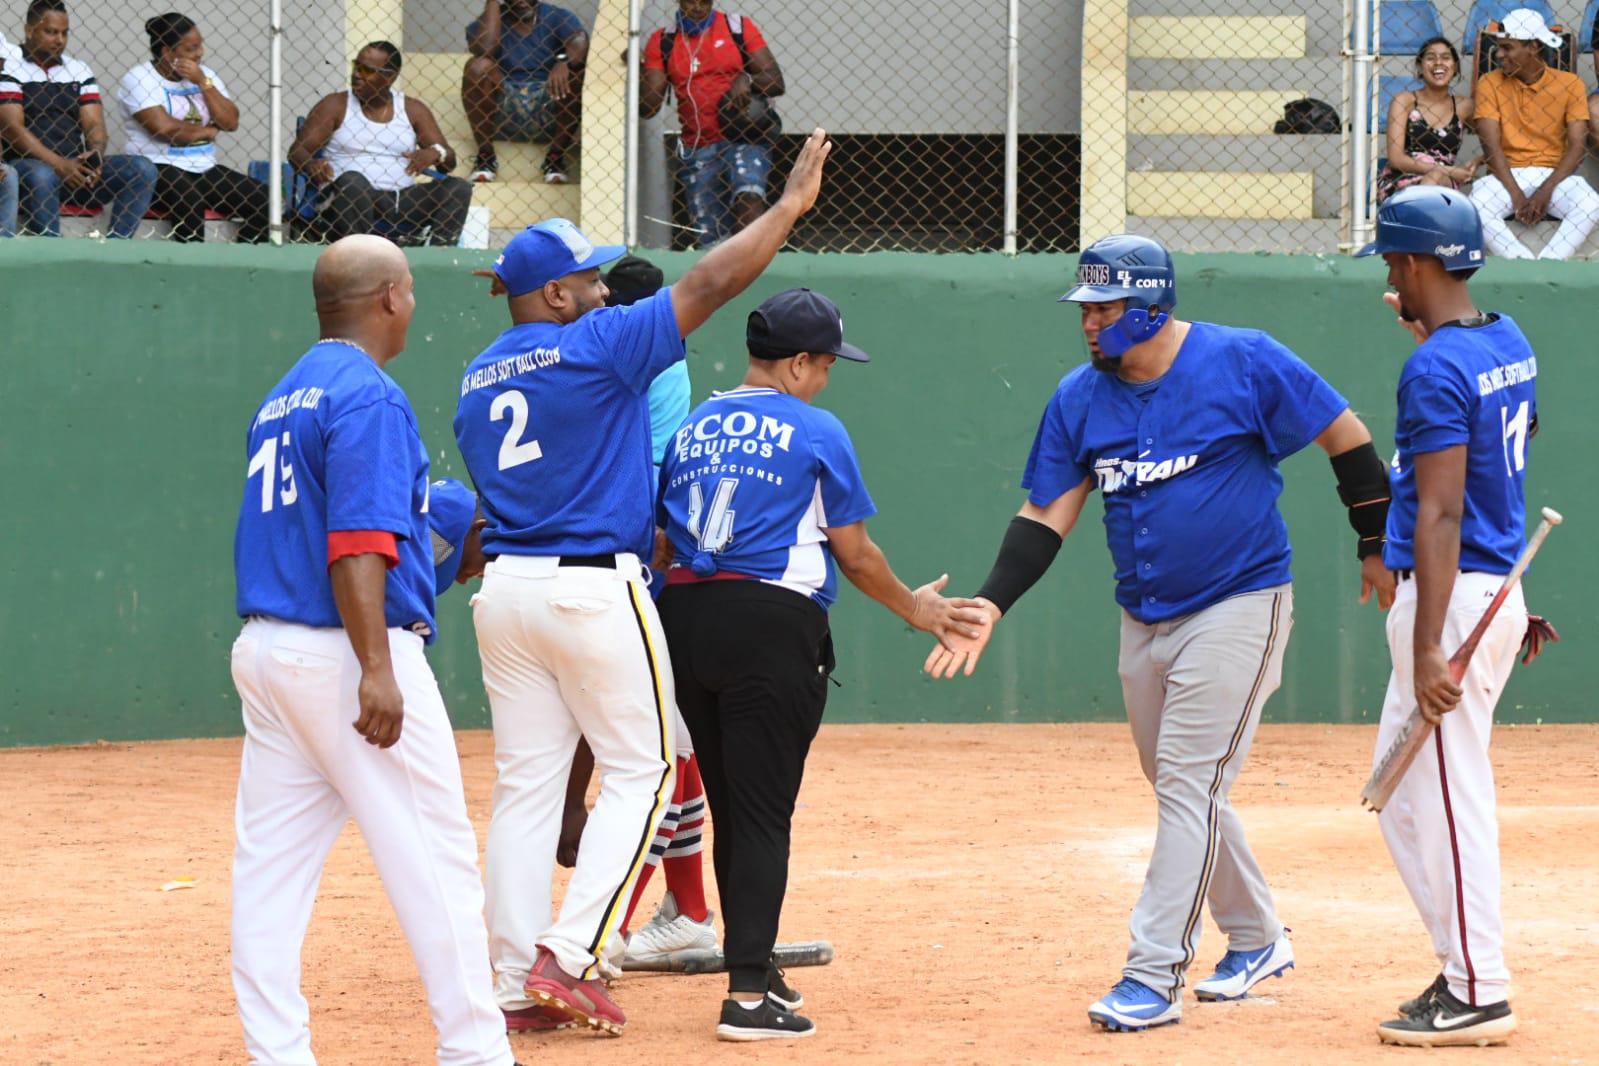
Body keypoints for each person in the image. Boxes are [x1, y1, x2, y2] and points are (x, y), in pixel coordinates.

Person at [924, 234, 1395, 1032]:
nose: (1088, 323)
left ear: (1149, 308)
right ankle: (1255, 938)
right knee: (1184, 784)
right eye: (1084, 308)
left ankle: (1151, 974)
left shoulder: (1242, 361)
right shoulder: (1080, 396)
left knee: (1185, 780)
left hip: (1239, 602)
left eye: (1104, 308)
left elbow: (1344, 435)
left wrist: (1374, 541)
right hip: (1142, 615)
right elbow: (1045, 515)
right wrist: (992, 604)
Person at [453, 129, 834, 1038]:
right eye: (585, 278)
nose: (599, 288)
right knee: (647, 769)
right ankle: (573, 950)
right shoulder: (595, 345)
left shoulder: (476, 374)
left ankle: (512, 979)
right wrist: (785, 211)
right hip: (592, 585)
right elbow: (708, 284)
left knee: (526, 788)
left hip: (503, 592)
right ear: (551, 295)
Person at [655, 288, 986, 1040]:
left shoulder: (691, 425)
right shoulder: (814, 428)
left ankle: (754, 957)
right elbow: (856, 553)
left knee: (734, 803)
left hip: (685, 621)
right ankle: (744, 998)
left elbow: (664, 537)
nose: (828, 379)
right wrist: (917, 609)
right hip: (770, 625)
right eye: (826, 364)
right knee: (765, 811)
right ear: (798, 362)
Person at [228, 235, 513, 1066]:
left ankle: (275, 1054)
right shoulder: (369, 395)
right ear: (389, 297)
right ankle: (476, 1053)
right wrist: (378, 669)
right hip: (345, 652)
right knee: (438, 859)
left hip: (268, 652)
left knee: (269, 874)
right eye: (412, 291)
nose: (413, 304)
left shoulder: (283, 394)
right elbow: (356, 544)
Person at [1355, 186, 1556, 1046]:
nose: (1389, 274)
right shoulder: (1501, 338)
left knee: (1448, 794)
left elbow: (1438, 513)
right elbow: (1508, 451)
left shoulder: (1433, 366)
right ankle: (1460, 962)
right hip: (1485, 587)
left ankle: (1479, 986)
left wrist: (1434, 644)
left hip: (1454, 598)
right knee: (1400, 794)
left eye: (1394, 260)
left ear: (1414, 263)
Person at [289, 42, 473, 246]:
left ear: (390, 77)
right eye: (356, 66)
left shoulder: (413, 109)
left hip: (399, 201)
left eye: (367, 70)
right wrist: (310, 164)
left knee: (459, 188)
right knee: (352, 181)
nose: (357, 74)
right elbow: (297, 151)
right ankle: (359, 256)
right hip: (349, 197)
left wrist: (435, 152)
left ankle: (438, 257)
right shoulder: (335, 105)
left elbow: (449, 163)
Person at [0, 0, 156, 238]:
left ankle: (115, 248)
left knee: (141, 169)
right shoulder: (9, 66)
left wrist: (95, 155)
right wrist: (59, 164)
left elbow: (94, 124)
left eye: (64, 33)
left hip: (75, 169)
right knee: (42, 174)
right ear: (29, 30)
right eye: (51, 32)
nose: (59, 40)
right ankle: (49, 253)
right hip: (30, 167)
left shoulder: (79, 70)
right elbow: (13, 130)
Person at [641, 0, 784, 247]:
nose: (698, 7)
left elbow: (776, 81)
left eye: (704, 1)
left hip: (743, 136)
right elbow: (649, 108)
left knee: (748, 198)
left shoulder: (737, 27)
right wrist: (640, 68)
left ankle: (752, 265)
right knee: (710, 239)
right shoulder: (663, 41)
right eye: (690, 1)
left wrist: (746, 79)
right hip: (698, 146)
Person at [117, 12, 269, 243]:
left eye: (200, 46)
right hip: (158, 167)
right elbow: (165, 130)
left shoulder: (205, 75)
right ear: (168, 52)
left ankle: (242, 264)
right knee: (190, 203)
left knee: (265, 200)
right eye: (191, 48)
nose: (200, 54)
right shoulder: (139, 78)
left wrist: (203, 83)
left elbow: (230, 122)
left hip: (203, 167)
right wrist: (208, 131)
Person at [1469, 8, 1599, 259]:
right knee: (1475, 205)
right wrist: (1517, 195)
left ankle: (1549, 263)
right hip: (1506, 174)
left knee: (1590, 204)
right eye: (1499, 47)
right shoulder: (1489, 82)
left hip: (1554, 175)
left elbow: (1577, 147)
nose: (1499, 54)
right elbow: (1491, 147)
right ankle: (1523, 263)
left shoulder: (1570, 84)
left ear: (1532, 48)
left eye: (1508, 48)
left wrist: (1545, 191)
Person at [462, 0, 587, 184]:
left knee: (577, 73)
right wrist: (493, 3)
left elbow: (580, 42)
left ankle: (555, 157)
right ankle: (486, 156)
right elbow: (484, 49)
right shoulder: (490, 21)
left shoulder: (557, 16)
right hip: (504, 108)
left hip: (549, 102)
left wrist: (564, 61)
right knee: (477, 66)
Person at [1377, 37, 1480, 203]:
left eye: (1446, 57)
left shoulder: (1465, 106)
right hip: (1401, 180)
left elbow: (1496, 139)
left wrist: (1478, 161)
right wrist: (1450, 171)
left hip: (1442, 182)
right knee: (1435, 177)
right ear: (1420, 66)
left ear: (1455, 67)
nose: (1438, 62)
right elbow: (1396, 159)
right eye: (1431, 58)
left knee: (1435, 178)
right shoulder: (1404, 101)